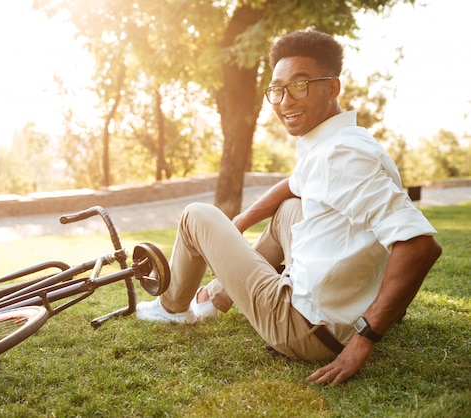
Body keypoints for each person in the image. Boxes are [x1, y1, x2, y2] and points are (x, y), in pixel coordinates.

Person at [136, 29, 442, 385]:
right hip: (332, 314)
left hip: (304, 328)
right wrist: (244, 219)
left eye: (300, 85)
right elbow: (294, 184)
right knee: (288, 210)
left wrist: (363, 341)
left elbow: (420, 246)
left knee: (196, 216)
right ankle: (218, 297)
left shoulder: (341, 156)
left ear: (332, 87)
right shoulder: (336, 141)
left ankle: (174, 308)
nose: (285, 101)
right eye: (278, 90)